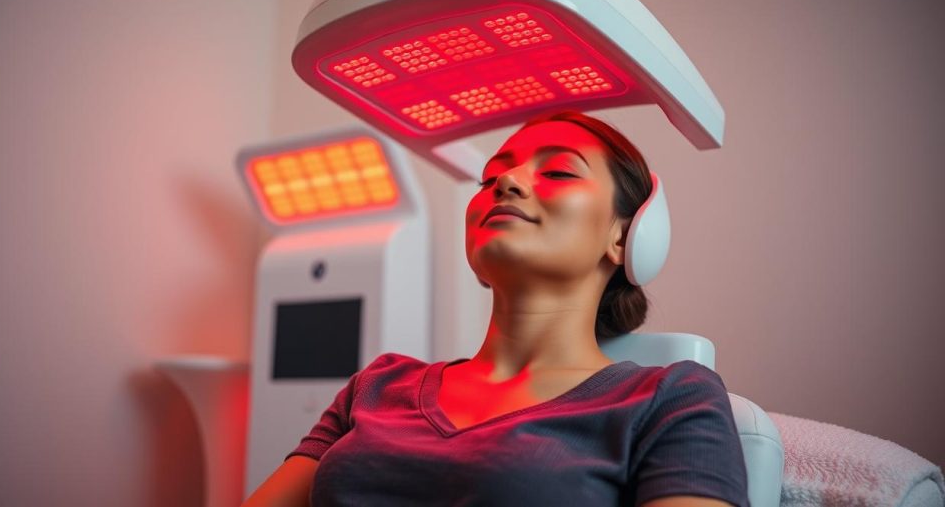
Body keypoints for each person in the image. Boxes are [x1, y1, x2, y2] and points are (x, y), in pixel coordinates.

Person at [242, 111, 750, 507]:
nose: (506, 185)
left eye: (557, 170)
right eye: (489, 180)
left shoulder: (670, 399)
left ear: (625, 235)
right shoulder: (376, 386)